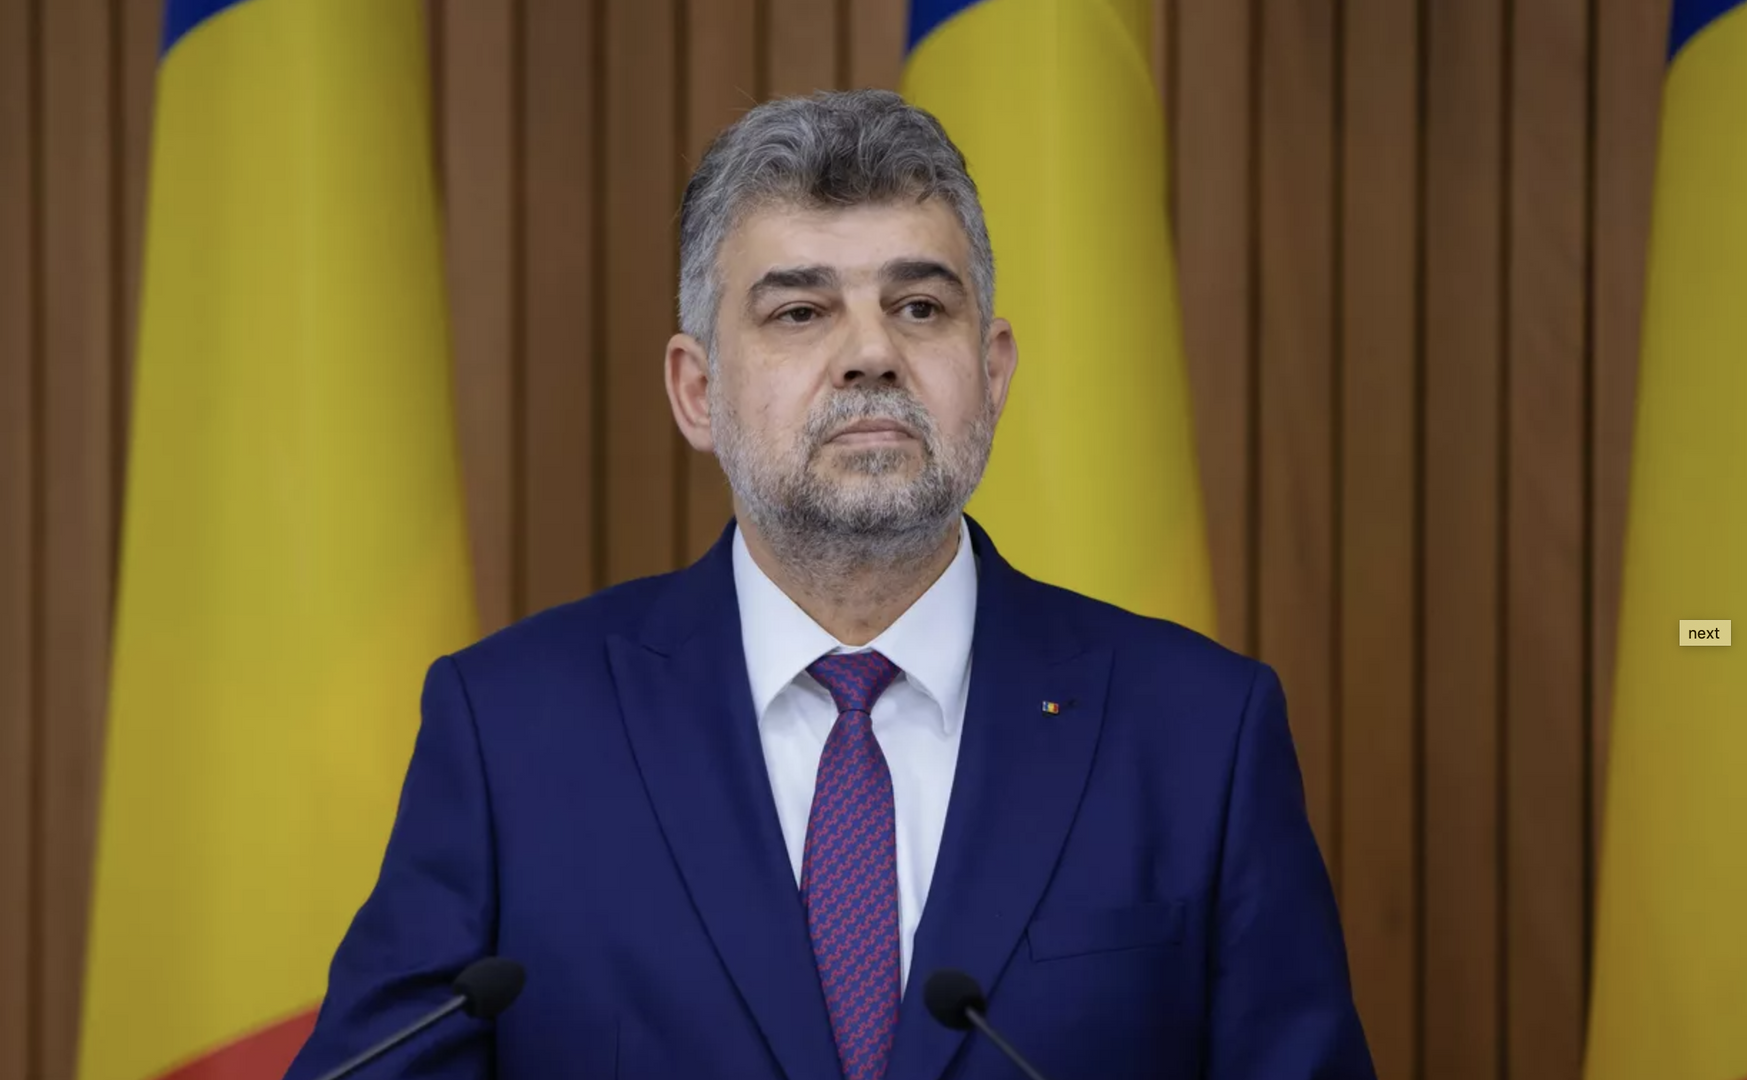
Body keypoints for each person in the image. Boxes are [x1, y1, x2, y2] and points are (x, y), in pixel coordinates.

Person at [283, 89, 1374, 1080]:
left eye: (921, 307)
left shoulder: (1199, 734)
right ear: (697, 390)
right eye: (800, 312)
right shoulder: (513, 733)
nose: (871, 354)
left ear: (993, 374)